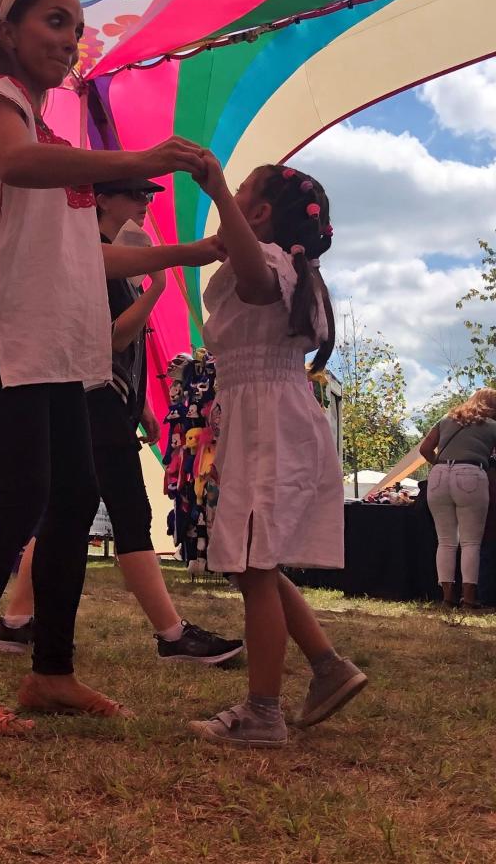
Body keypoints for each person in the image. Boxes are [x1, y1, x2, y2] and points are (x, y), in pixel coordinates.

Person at [0, 0, 209, 735]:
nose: (70, 38)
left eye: (76, 27)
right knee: (18, 500)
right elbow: (12, 164)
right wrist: (134, 156)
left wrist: (193, 248)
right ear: (9, 30)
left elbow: (88, 257)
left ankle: (52, 673)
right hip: (3, 336)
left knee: (74, 499)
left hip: (55, 347)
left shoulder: (56, 140)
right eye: (54, 20)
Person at [0, 177, 242, 665]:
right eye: (135, 194)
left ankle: (15, 621)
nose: (146, 204)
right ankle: (172, 635)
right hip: (90, 401)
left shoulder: (118, 264)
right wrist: (158, 288)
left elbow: (120, 354)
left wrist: (143, 409)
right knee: (130, 516)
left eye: (149, 196)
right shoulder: (93, 257)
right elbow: (109, 339)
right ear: (102, 199)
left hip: (107, 402)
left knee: (65, 515)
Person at [186, 157, 367, 749]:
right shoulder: (298, 269)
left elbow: (254, 281)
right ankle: (327, 666)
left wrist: (216, 194)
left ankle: (263, 712)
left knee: (255, 564)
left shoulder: (270, 262)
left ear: (257, 213)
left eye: (242, 195)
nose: (233, 198)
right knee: (251, 560)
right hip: (268, 411)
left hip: (266, 416)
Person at [419, 388, 496, 609]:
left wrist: (442, 466)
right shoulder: (492, 426)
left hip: (439, 476)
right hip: (472, 474)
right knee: (471, 542)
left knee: (445, 541)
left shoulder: (446, 419)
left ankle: (447, 598)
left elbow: (425, 449)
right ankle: (470, 599)